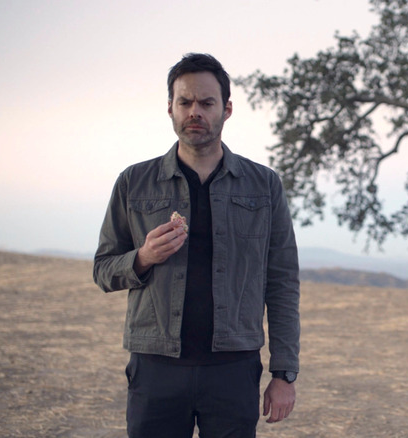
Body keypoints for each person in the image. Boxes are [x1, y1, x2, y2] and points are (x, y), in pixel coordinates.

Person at [93, 53, 300, 438]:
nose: (195, 112)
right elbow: (103, 270)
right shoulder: (134, 182)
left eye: (206, 103)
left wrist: (284, 372)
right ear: (170, 108)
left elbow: (283, 281)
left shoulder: (263, 185)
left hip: (233, 369)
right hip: (155, 368)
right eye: (185, 102)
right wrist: (142, 258)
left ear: (227, 109)